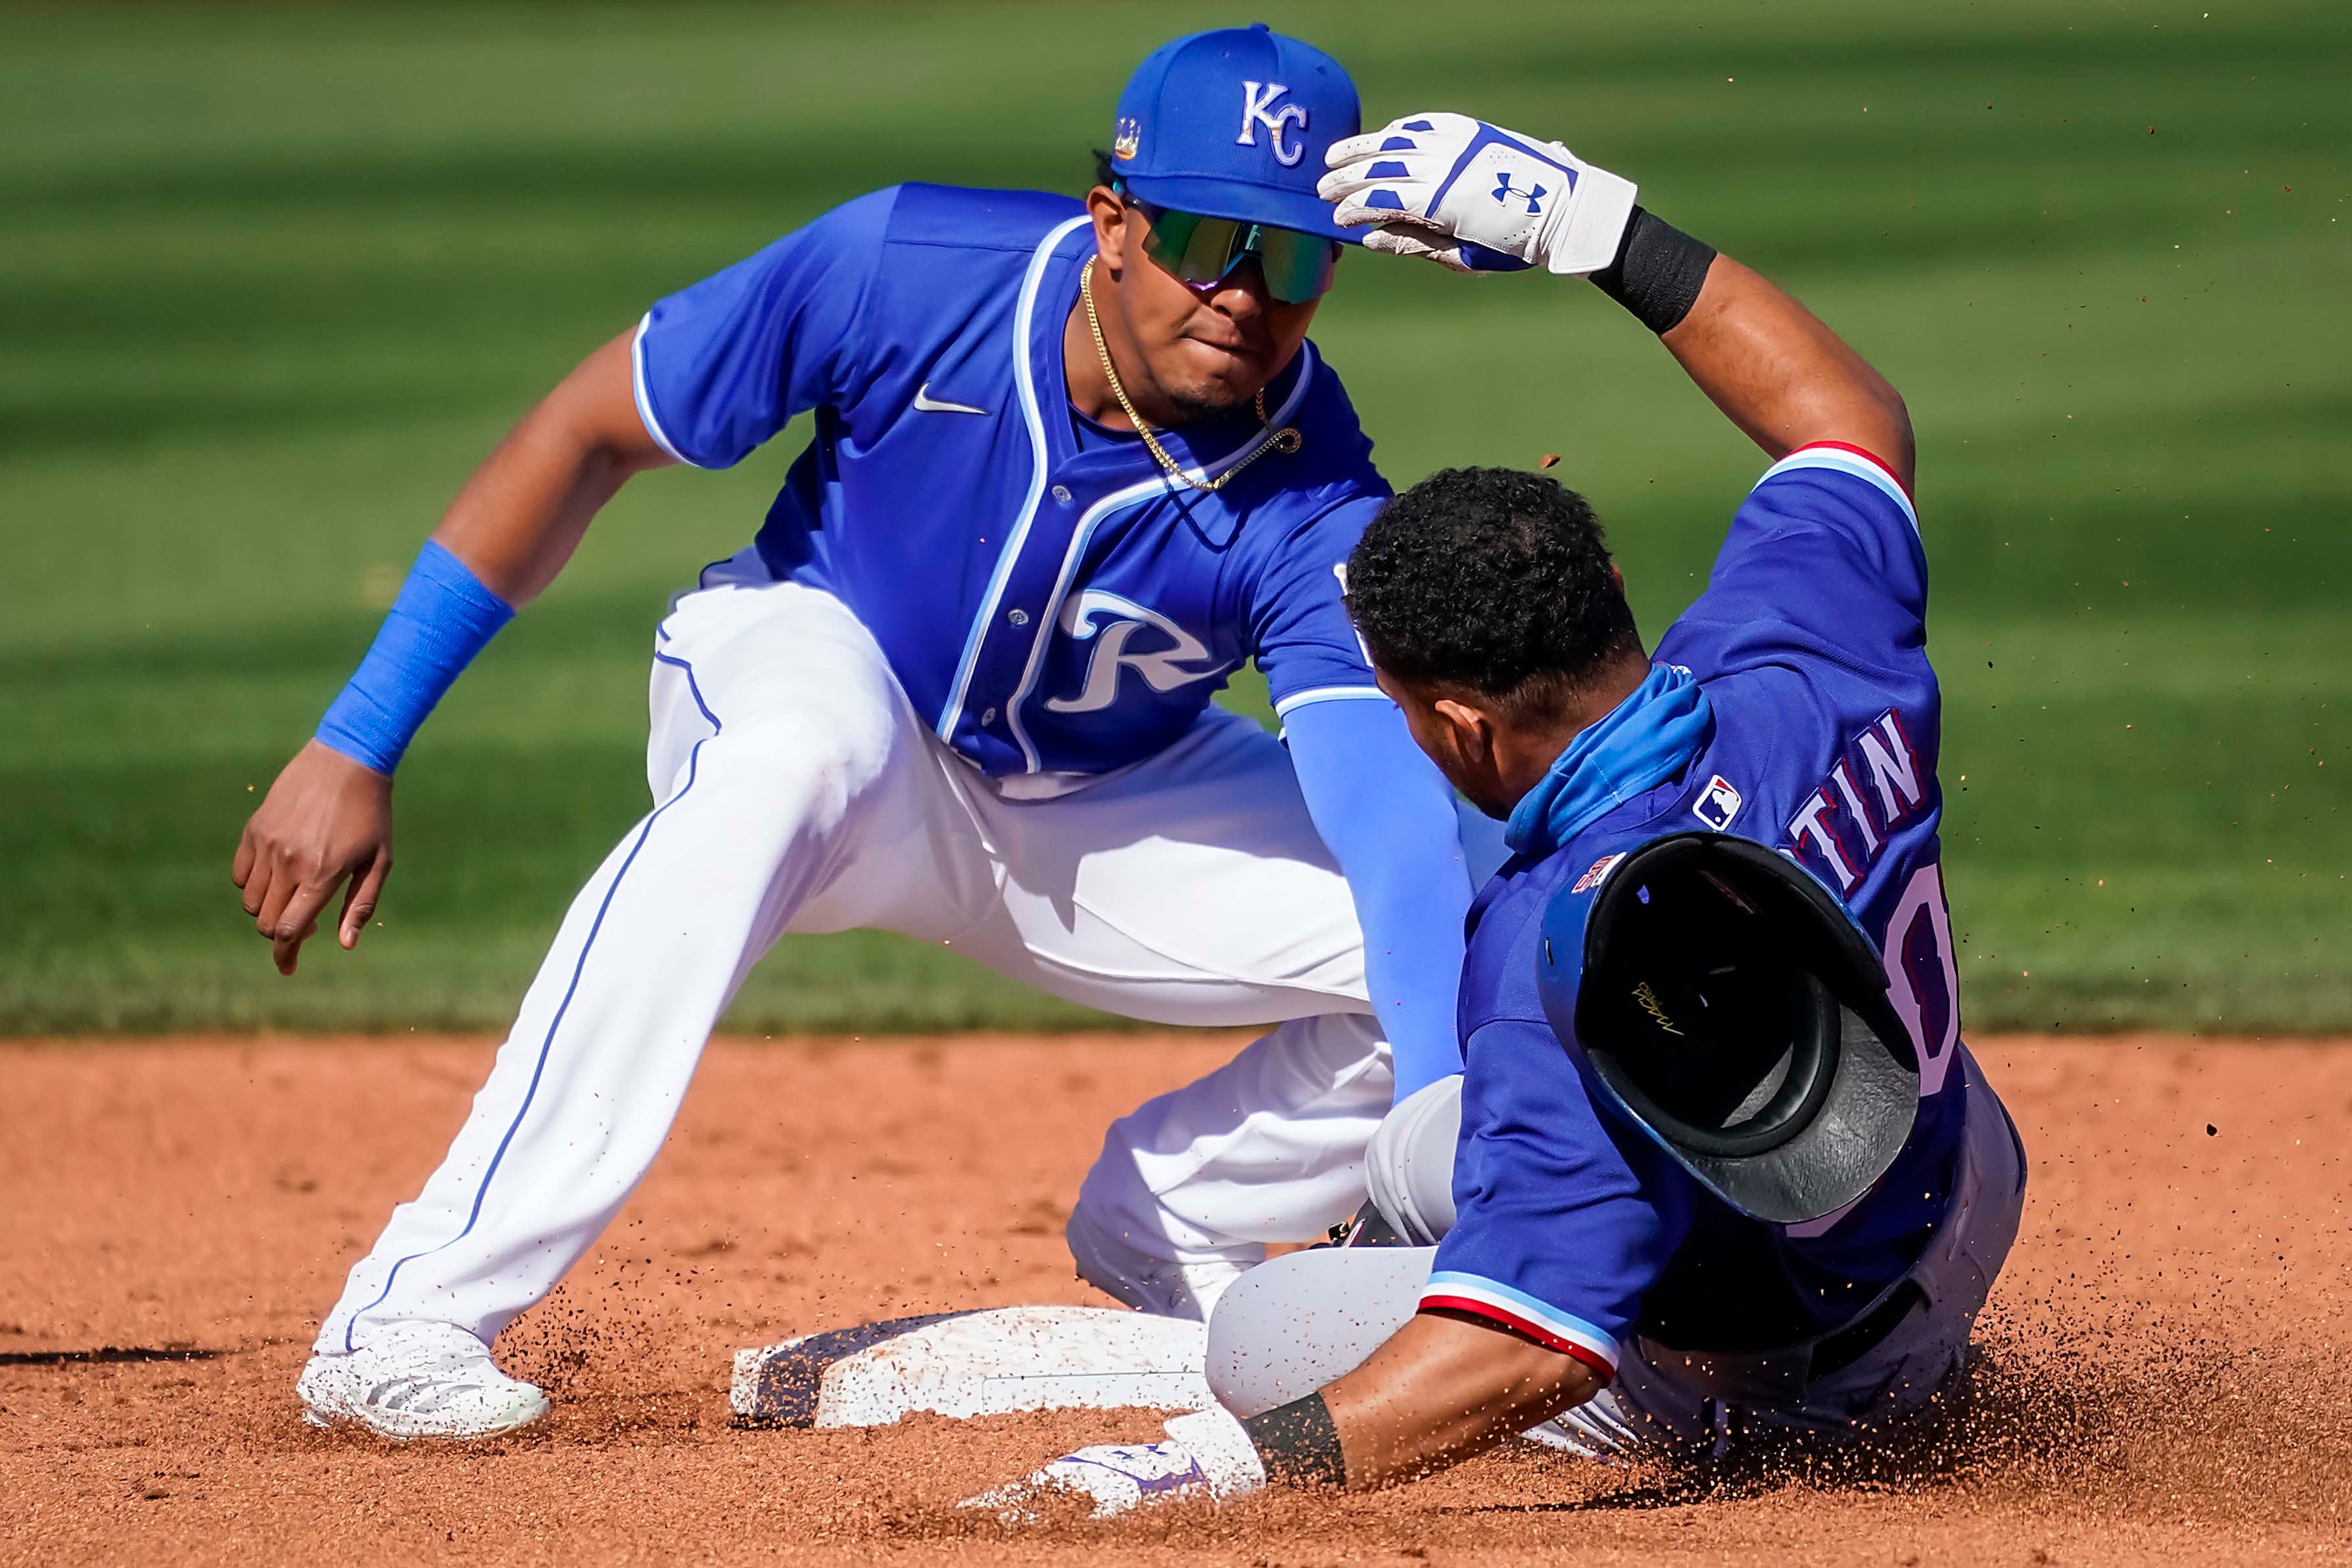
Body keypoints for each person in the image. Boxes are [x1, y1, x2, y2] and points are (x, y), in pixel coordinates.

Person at [255, 27, 1493, 1441]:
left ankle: (1175, 1217)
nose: (1242, 294)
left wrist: (1445, 1102)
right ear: (1112, 225)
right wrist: (359, 737)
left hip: (1102, 798)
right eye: (1210, 238)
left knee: (1469, 927)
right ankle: (409, 1312)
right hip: (821, 672)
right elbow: (591, 429)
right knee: (797, 751)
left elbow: (1381, 809)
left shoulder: (1311, 478)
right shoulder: (904, 268)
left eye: (1289, 256)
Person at [967, 107, 2026, 1517]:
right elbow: (1847, 422)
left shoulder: (1558, 949)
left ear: (1458, 722)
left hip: (1793, 1374)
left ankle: (1798, 1432)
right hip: (1961, 1184)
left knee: (1259, 1342)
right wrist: (1602, 234)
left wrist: (1202, 1467)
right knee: (1416, 1151)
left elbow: (1527, 1350)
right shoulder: (1795, 647)